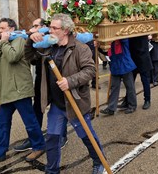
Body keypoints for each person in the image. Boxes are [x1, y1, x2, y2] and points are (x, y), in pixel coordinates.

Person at [24, 13, 105, 174]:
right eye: (50, 27)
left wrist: (70, 81)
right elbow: (29, 57)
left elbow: (90, 70)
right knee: (52, 139)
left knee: (87, 136)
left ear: (66, 30)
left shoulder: (80, 48)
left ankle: (99, 162)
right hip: (57, 104)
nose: (50, 31)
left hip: (75, 102)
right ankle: (52, 170)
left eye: (54, 28)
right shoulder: (47, 46)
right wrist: (30, 39)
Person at [0, 18, 46, 167]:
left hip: (19, 91)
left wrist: (4, 41)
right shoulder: (3, 47)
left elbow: (13, 57)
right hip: (6, 92)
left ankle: (39, 146)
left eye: (2, 28)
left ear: (11, 29)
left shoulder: (19, 40)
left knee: (30, 122)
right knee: (2, 123)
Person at [14, 18, 68, 152]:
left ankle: (62, 136)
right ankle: (34, 139)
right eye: (33, 25)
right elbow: (31, 59)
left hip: (57, 80)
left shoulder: (53, 40)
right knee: (37, 109)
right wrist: (30, 40)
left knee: (61, 107)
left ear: (44, 27)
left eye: (36, 25)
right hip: (41, 80)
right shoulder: (38, 42)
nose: (33, 28)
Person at [100, 39, 137, 115]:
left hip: (125, 65)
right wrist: (98, 46)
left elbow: (123, 38)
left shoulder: (123, 39)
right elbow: (106, 52)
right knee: (114, 88)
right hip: (115, 66)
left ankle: (132, 105)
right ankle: (111, 108)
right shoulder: (110, 42)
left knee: (130, 87)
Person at [129, 36, 154, 110]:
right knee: (130, 81)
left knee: (145, 81)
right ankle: (127, 99)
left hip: (143, 58)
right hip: (133, 57)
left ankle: (147, 100)